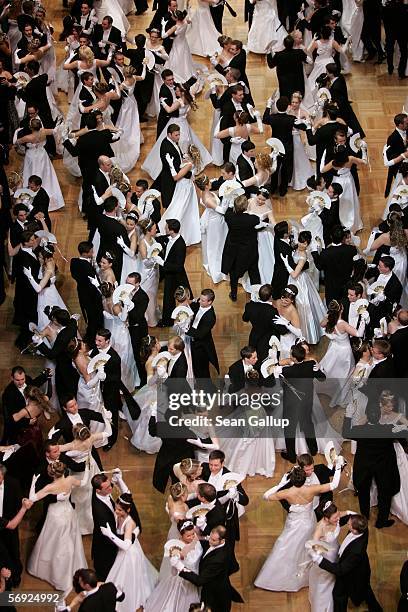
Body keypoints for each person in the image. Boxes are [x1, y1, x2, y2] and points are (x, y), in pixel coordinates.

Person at [255, 463, 342, 592]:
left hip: (294, 523)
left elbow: (266, 496)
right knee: (304, 545)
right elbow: (334, 484)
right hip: (309, 521)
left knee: (285, 546)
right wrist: (339, 467)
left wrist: (281, 483)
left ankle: (277, 577)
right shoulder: (311, 489)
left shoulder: (286, 492)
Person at [27, 461, 88, 596]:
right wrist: (88, 468)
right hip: (68, 513)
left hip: (55, 516)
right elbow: (83, 482)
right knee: (68, 540)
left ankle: (55, 571)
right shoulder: (71, 479)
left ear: (51, 474)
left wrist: (33, 483)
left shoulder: (50, 487)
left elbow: (32, 498)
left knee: (51, 541)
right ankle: (69, 568)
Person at [343, 401, 400, 529]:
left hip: (364, 467)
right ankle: (381, 522)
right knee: (384, 495)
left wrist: (348, 415)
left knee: (363, 492)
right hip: (384, 467)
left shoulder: (359, 430)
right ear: (380, 416)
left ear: (367, 416)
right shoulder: (389, 429)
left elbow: (345, 433)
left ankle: (364, 516)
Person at [310, 514, 383, 611]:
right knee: (365, 589)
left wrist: (319, 560)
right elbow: (350, 517)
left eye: (349, 524)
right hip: (360, 565)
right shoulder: (363, 527)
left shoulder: (356, 551)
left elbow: (340, 570)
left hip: (352, 573)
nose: (347, 524)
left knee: (339, 595)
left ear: (354, 530)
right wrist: (335, 519)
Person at [104, 492, 158, 611]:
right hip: (121, 552)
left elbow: (126, 546)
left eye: (119, 510)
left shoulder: (129, 523)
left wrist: (110, 535)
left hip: (129, 554)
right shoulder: (118, 514)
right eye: (116, 509)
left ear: (128, 510)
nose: (116, 512)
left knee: (127, 578)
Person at [177, 525, 244, 611]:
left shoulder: (218, 559)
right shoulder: (221, 544)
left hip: (215, 596)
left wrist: (181, 568)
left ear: (222, 540)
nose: (210, 541)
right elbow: (206, 544)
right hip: (219, 585)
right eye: (210, 538)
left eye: (213, 540)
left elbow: (199, 581)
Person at [308, 502, 358, 612]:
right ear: (326, 518)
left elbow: (346, 513)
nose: (337, 518)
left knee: (336, 574)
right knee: (325, 579)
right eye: (335, 518)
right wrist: (317, 553)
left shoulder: (336, 514)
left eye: (337, 515)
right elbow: (312, 546)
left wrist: (355, 516)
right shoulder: (320, 528)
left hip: (336, 550)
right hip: (326, 556)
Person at [280, 343, 326, 463]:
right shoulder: (310, 365)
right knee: (307, 424)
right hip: (306, 402)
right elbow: (322, 378)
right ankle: (313, 449)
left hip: (291, 405)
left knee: (289, 429)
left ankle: (291, 456)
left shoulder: (287, 371)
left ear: (294, 358)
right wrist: (319, 368)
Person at [280, 230, 326, 344]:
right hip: (293, 280)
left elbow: (295, 274)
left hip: (299, 281)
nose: (301, 244)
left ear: (308, 244)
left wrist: (286, 264)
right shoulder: (295, 247)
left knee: (302, 305)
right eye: (300, 241)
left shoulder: (303, 256)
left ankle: (304, 333)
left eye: (304, 243)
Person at [145, 519, 202, 611]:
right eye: (188, 536)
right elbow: (175, 568)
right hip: (184, 579)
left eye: (192, 534)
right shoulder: (176, 548)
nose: (191, 537)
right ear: (181, 535)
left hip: (195, 576)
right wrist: (179, 557)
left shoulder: (194, 538)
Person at [158, 144, 202, 247]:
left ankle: (172, 229)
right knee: (185, 210)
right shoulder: (190, 163)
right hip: (185, 186)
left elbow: (176, 177)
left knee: (178, 208)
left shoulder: (189, 165)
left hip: (183, 189)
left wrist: (170, 164)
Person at [16, 119, 65, 212]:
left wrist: (20, 148)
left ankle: (29, 200)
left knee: (30, 174)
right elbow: (55, 131)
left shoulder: (28, 137)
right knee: (46, 176)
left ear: (31, 127)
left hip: (31, 158)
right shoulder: (44, 132)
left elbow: (17, 142)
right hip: (42, 155)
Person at [91, 469, 131, 581]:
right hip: (105, 543)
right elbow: (109, 535)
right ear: (98, 490)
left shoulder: (99, 491)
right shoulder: (100, 512)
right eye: (108, 487)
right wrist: (121, 540)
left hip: (107, 532)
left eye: (110, 485)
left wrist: (114, 480)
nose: (111, 488)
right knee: (106, 568)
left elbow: (108, 486)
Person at [221, 194, 261, 301]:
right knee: (254, 272)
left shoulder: (229, 217)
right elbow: (258, 220)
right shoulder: (252, 219)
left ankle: (234, 294)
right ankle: (257, 296)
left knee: (234, 274)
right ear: (246, 207)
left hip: (234, 251)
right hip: (249, 250)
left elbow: (228, 211)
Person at [156, 219, 192, 327]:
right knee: (169, 298)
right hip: (168, 272)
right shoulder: (169, 238)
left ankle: (171, 321)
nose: (165, 228)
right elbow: (161, 238)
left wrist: (163, 263)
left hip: (175, 275)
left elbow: (178, 266)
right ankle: (168, 320)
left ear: (171, 230)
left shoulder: (180, 245)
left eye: (166, 227)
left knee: (179, 296)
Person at [312, 225, 358, 306]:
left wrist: (315, 253)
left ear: (331, 237)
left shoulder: (326, 253)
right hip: (346, 284)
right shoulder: (351, 250)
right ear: (343, 237)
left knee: (333, 307)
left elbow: (319, 266)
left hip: (331, 286)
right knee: (346, 305)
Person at [187, 289, 219, 383]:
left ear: (210, 302)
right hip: (191, 339)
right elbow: (192, 304)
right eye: (200, 299)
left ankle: (207, 390)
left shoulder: (210, 317)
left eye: (203, 300)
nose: (199, 301)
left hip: (200, 347)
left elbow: (200, 334)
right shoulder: (199, 303)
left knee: (202, 371)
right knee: (194, 366)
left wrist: (186, 328)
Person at [125, 272, 149, 384]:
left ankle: (143, 381)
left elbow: (138, 316)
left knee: (139, 356)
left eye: (130, 283)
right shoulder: (125, 291)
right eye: (126, 282)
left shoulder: (144, 297)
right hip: (126, 328)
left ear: (138, 283)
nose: (127, 285)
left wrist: (129, 304)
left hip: (137, 329)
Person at [267, 34, 309, 99]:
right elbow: (309, 61)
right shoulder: (299, 52)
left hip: (284, 84)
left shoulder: (279, 55)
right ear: (293, 43)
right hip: (297, 82)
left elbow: (271, 65)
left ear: (284, 44)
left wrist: (269, 53)